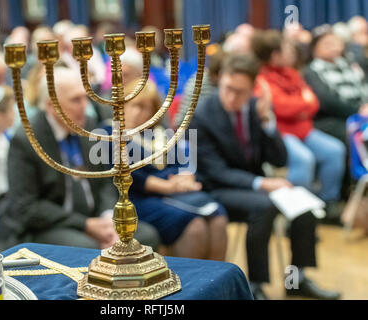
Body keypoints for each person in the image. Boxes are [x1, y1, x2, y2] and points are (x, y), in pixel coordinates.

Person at [190, 54, 341, 300]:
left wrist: (268, 121)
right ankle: (255, 285)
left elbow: (280, 159)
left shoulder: (255, 109)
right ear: (221, 81)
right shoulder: (202, 115)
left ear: (253, 90)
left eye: (240, 92)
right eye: (228, 89)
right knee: (265, 206)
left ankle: (296, 279)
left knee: (305, 205)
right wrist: (261, 183)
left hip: (254, 187)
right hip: (217, 188)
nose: (232, 97)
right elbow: (214, 171)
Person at [0, 67, 160, 252]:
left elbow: (105, 181)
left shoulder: (87, 125)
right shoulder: (27, 140)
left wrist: (106, 218)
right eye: (75, 100)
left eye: (85, 97)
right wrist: (86, 225)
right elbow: (26, 207)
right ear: (51, 105)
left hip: (93, 218)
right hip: (49, 226)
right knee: (86, 248)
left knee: (146, 235)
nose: (85, 106)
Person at [102, 79, 228, 260]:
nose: (137, 112)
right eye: (133, 105)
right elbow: (128, 175)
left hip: (172, 195)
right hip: (134, 200)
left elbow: (181, 162)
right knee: (195, 225)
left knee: (218, 217)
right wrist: (168, 187)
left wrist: (185, 178)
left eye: (145, 107)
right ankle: (190, 284)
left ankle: (217, 283)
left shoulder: (159, 134)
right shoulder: (109, 132)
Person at [252, 30, 346, 219]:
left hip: (304, 130)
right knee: (304, 159)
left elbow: (314, 103)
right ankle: (299, 215)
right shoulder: (260, 79)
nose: (292, 53)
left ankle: (327, 205)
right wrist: (302, 104)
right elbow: (281, 108)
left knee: (335, 150)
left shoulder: (292, 73)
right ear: (274, 54)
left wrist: (300, 106)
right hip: (281, 135)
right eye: (286, 49)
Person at [303, 25, 368, 144]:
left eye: (335, 43)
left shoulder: (351, 65)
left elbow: (364, 85)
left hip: (361, 113)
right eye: (327, 44)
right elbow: (327, 102)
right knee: (359, 134)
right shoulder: (311, 71)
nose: (333, 47)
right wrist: (358, 109)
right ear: (314, 48)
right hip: (333, 119)